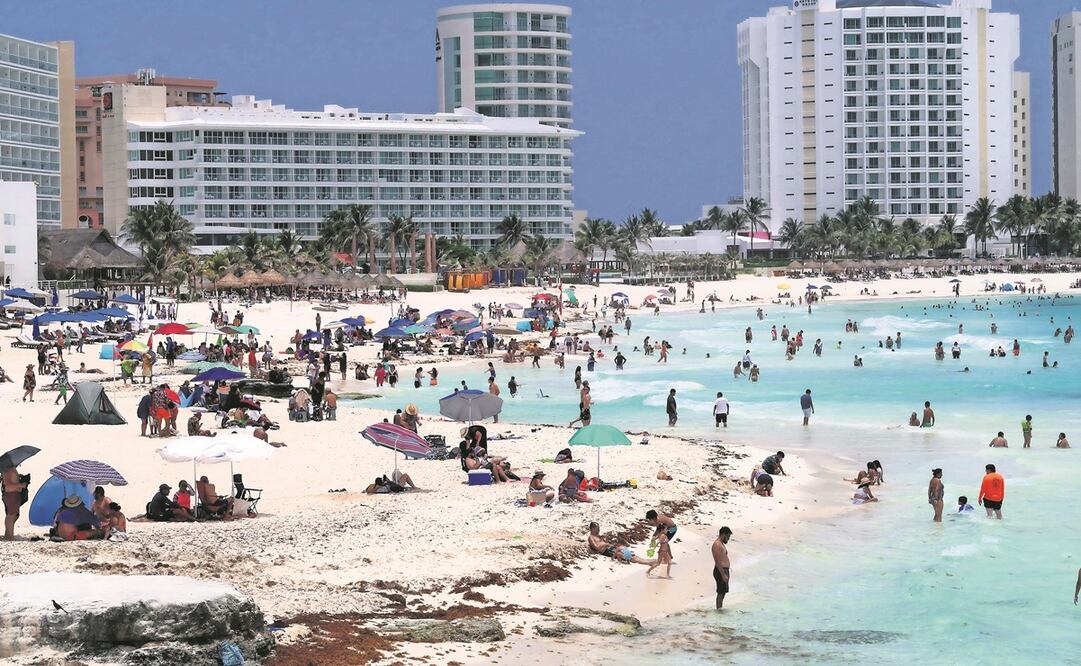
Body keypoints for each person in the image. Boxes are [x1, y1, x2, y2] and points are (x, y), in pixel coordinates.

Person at [588, 522, 655, 566]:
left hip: (611, 548)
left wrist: (608, 544)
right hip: (607, 551)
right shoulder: (591, 537)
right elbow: (596, 547)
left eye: (599, 528)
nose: (599, 530)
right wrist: (606, 544)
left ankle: (647, 560)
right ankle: (647, 563)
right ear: (592, 528)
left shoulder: (598, 536)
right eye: (597, 529)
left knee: (630, 553)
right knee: (628, 556)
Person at [2, 462, 27, 540]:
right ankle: (9, 535)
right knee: (11, 515)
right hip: (11, 494)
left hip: (14, 494)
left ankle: (8, 534)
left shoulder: (10, 470)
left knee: (14, 514)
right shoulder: (8, 470)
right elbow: (8, 485)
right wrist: (21, 485)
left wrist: (19, 478)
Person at [712, 526, 733, 610]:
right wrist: (723, 574)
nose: (728, 539)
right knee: (721, 592)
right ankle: (718, 610)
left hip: (724, 570)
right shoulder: (717, 545)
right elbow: (717, 561)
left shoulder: (721, 544)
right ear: (723, 534)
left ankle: (720, 609)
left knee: (723, 592)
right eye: (728, 536)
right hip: (720, 570)